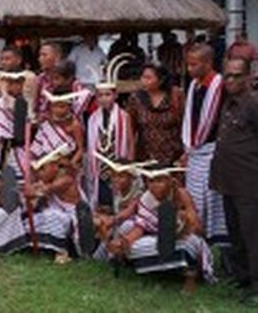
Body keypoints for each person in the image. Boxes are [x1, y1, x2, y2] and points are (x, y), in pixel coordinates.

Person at [107, 166, 213, 290]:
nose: (154, 185)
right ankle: (160, 271)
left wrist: (183, 224)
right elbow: (141, 226)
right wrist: (126, 241)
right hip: (156, 236)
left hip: (185, 236)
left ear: (170, 182)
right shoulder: (146, 198)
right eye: (151, 181)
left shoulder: (181, 194)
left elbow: (197, 226)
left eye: (159, 181)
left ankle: (191, 276)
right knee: (135, 245)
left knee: (187, 244)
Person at [211, 57, 258, 305]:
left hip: (249, 182)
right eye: (227, 75)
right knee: (235, 232)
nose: (230, 80)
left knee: (253, 235)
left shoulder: (253, 104)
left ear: (249, 76)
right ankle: (243, 277)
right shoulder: (229, 102)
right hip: (228, 181)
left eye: (236, 75)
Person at [181, 44, 229, 247]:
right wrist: (189, 147)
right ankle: (198, 240)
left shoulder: (219, 85)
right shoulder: (194, 85)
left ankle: (218, 242)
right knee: (195, 198)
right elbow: (191, 117)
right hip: (195, 151)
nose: (190, 69)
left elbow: (211, 121)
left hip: (212, 150)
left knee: (213, 199)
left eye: (194, 64)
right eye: (188, 64)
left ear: (208, 63)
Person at [86, 56, 134, 211]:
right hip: (100, 168)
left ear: (115, 95)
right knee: (102, 199)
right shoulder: (93, 119)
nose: (104, 99)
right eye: (100, 95)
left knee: (118, 199)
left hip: (117, 164)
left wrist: (128, 165)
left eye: (108, 94)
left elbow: (129, 141)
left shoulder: (123, 116)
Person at [126, 64, 185, 165]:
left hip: (173, 156)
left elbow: (186, 124)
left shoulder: (176, 96)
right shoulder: (136, 98)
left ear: (161, 80)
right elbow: (131, 127)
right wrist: (131, 154)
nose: (143, 81)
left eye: (148, 78)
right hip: (146, 156)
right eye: (142, 77)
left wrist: (186, 152)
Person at [30, 87, 84, 168]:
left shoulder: (74, 124)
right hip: (44, 161)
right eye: (54, 106)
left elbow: (81, 149)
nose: (57, 110)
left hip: (64, 163)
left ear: (69, 106)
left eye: (61, 106)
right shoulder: (46, 119)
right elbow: (38, 143)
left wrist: (72, 163)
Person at [34, 42, 63, 119]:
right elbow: (35, 105)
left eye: (44, 55)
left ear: (57, 57)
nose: (40, 59)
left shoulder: (69, 81)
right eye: (40, 55)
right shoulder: (39, 80)